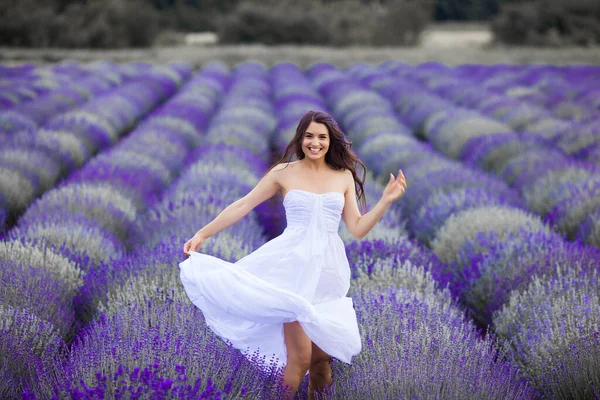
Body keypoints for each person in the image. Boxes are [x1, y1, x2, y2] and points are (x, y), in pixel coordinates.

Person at [180, 110, 407, 399]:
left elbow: (358, 228)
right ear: (300, 139)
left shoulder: (343, 176)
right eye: (309, 136)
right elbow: (243, 205)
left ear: (330, 141)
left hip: (328, 272)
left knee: (321, 361)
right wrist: (202, 234)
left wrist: (386, 200)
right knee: (299, 359)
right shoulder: (283, 172)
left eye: (322, 137)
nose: (315, 143)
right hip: (293, 268)